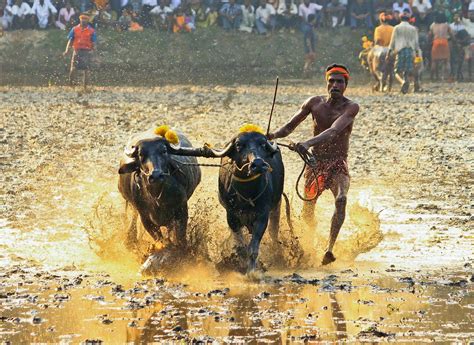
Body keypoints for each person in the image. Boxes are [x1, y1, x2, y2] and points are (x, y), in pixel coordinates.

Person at [267, 64, 359, 266]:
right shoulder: (314, 103)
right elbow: (289, 127)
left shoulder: (351, 107)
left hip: (337, 163)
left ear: (346, 85)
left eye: (340, 81)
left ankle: (329, 249)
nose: (335, 85)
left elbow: (334, 131)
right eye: (332, 81)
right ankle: (309, 243)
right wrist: (271, 136)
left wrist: (307, 143)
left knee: (341, 199)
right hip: (315, 163)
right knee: (308, 209)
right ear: (327, 83)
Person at [388, 11, 422, 93]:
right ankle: (408, 83)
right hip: (410, 51)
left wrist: (389, 52)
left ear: (400, 18)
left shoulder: (396, 28)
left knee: (397, 71)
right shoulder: (413, 29)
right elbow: (416, 43)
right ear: (409, 19)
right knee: (408, 69)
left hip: (400, 51)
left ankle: (403, 82)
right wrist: (417, 52)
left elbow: (392, 41)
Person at [63, 14, 96, 90]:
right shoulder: (74, 29)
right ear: (80, 20)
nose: (83, 20)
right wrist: (67, 50)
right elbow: (70, 40)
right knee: (73, 68)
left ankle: (85, 87)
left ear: (88, 21)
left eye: (85, 19)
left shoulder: (92, 31)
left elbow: (94, 43)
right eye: (82, 19)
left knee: (86, 69)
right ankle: (71, 85)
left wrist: (94, 52)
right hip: (77, 51)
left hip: (87, 51)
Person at [429, 12, 453, 81]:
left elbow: (429, 35)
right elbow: (451, 34)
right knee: (447, 61)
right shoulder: (446, 25)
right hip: (445, 42)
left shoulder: (433, 25)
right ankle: (448, 77)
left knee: (434, 61)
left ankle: (432, 78)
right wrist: (454, 41)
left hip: (436, 42)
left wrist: (429, 42)